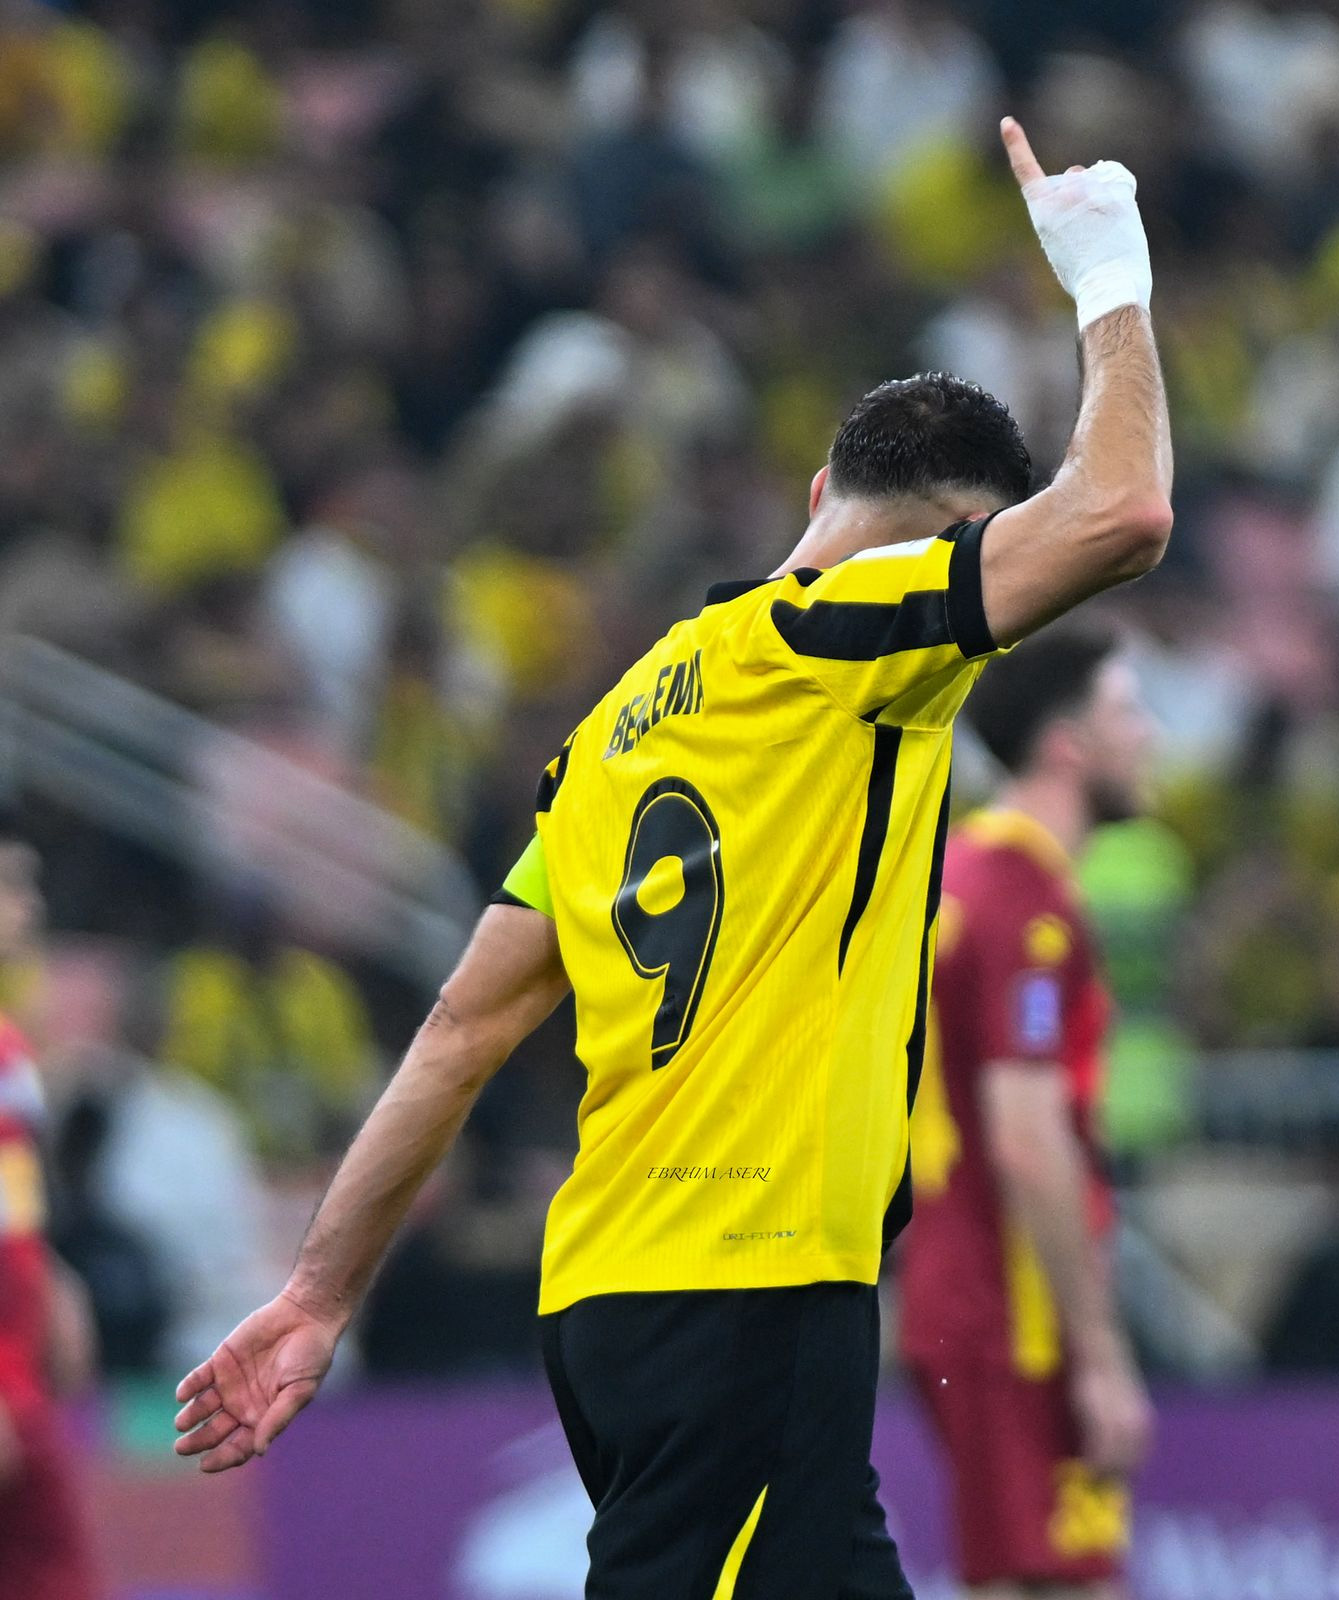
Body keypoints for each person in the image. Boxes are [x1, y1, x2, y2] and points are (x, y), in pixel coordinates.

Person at [174, 119, 1172, 1600]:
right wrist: (1107, 274)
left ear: (812, 494)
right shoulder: (850, 636)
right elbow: (1124, 512)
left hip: (615, 1286)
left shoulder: (615, 725)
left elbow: (459, 1029)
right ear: (950, 545)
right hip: (742, 1278)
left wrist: (318, 1295)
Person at [900, 624, 1157, 1600]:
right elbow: (1026, 1138)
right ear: (1066, 744)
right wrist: (1100, 1353)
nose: (1150, 735)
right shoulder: (1023, 904)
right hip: (1015, 1305)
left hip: (964, 1286)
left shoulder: (964, 874)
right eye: (1127, 711)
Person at [0, 839, 101, 1600]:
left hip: (23, 1375)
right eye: (11, 886)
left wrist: (54, 1277)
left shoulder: (9, 1048)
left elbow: (14, 1203)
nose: (30, 906)